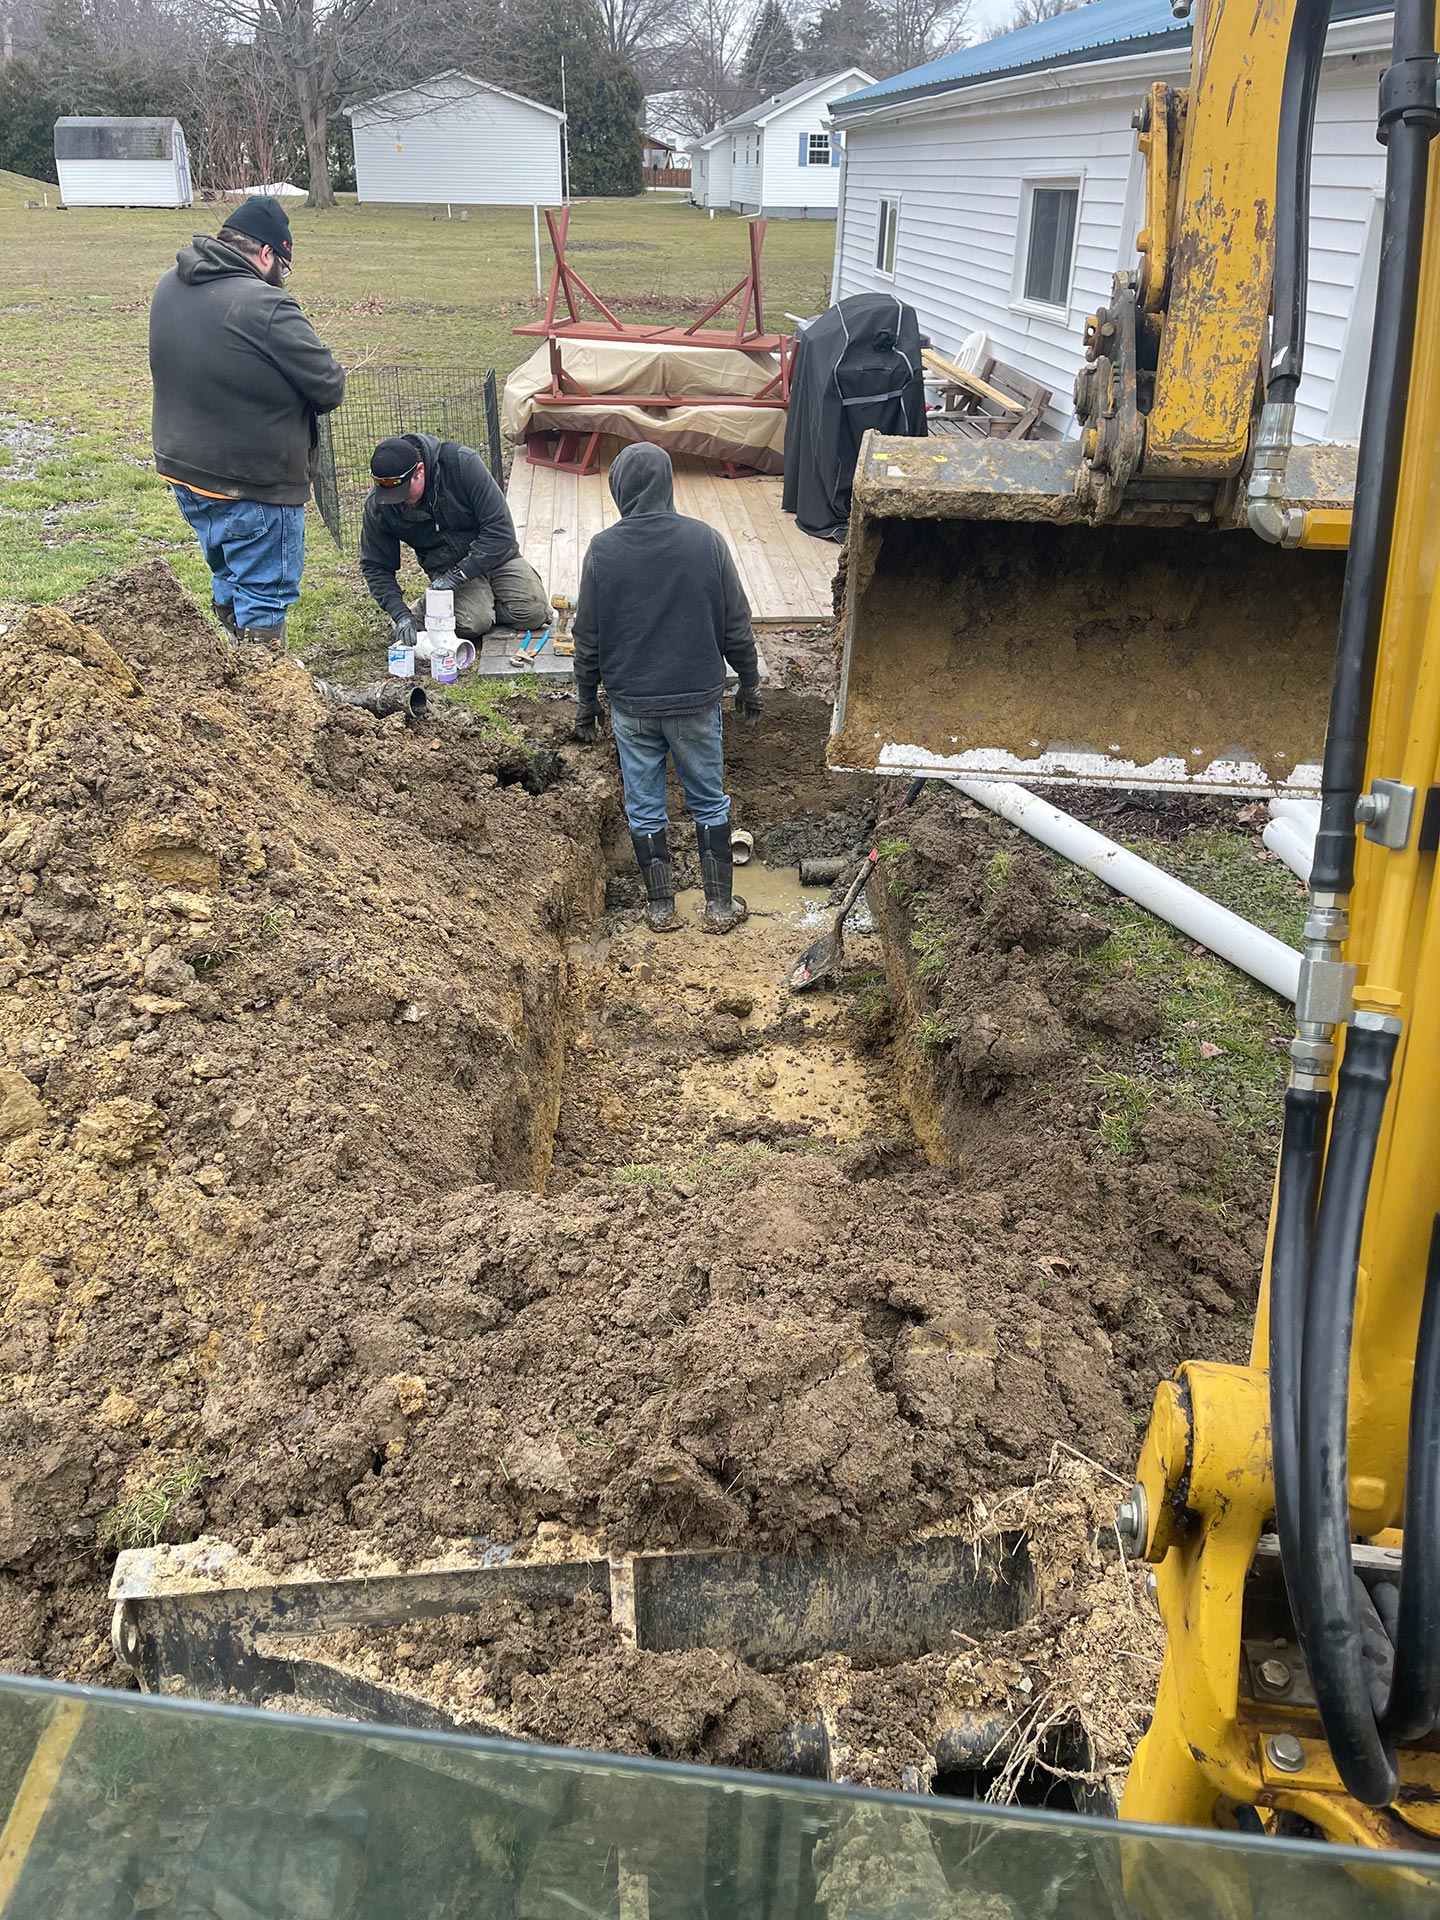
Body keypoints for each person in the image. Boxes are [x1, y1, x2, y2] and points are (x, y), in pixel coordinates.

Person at [571, 442, 763, 936]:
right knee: (708, 799)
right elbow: (736, 626)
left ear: (620, 490)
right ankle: (718, 906)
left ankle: (661, 909)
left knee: (644, 805)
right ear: (666, 484)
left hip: (632, 705)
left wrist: (586, 701)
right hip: (696, 701)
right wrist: (750, 683)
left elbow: (587, 636)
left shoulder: (603, 550)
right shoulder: (707, 542)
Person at [149, 196, 345, 653]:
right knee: (263, 593)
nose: (281, 276)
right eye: (283, 264)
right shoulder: (266, 305)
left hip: (186, 470)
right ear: (266, 254)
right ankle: (263, 689)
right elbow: (330, 386)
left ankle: (235, 665)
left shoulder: (168, 285)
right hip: (252, 482)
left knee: (227, 572)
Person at [360, 435, 550, 646]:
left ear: (420, 471)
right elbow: (376, 565)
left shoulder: (461, 464)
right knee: (475, 622)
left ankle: (465, 604)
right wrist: (400, 613)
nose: (398, 500)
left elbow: (500, 530)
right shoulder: (380, 505)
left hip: (495, 556)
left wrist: (457, 577)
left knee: (534, 612)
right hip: (445, 564)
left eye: (402, 492)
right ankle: (424, 612)